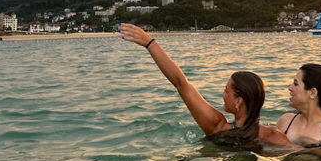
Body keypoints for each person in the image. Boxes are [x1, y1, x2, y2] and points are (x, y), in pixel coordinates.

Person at [116, 23, 291, 147]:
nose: (222, 94)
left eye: (226, 90)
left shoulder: (217, 128)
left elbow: (181, 83)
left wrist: (150, 43)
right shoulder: (275, 137)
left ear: (238, 101)